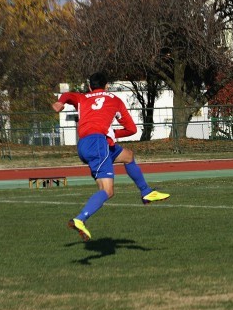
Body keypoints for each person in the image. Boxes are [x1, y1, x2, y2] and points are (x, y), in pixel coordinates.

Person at [52, 72, 170, 241]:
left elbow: (68, 95)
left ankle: (146, 192)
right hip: (98, 144)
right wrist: (113, 132)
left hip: (86, 144)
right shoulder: (115, 100)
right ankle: (80, 219)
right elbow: (131, 129)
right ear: (106, 86)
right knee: (107, 190)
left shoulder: (83, 98)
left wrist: (60, 102)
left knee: (128, 156)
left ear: (90, 87)